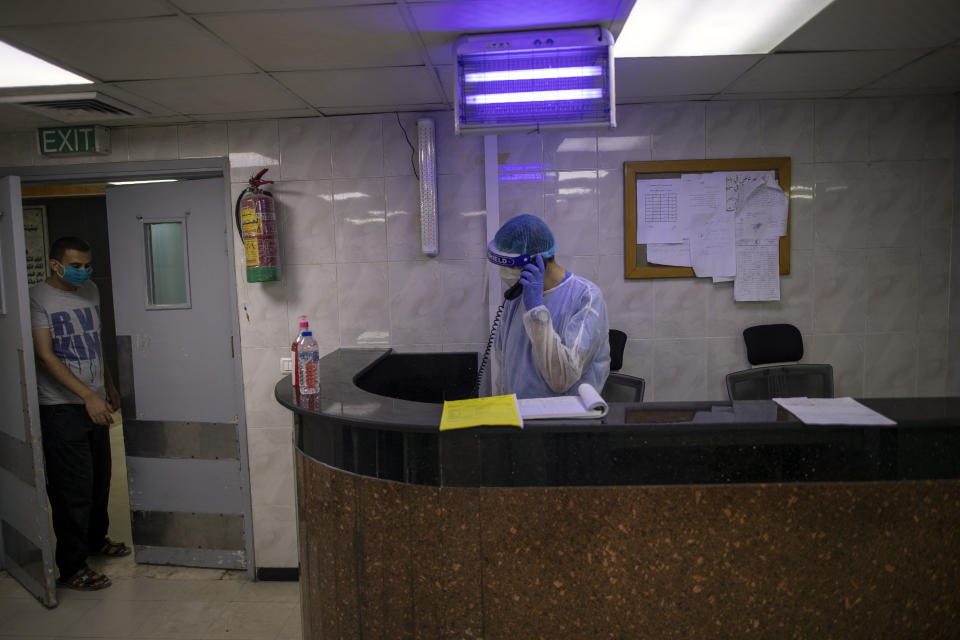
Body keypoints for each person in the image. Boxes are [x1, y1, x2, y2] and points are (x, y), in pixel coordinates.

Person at [30, 236, 129, 591]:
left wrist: (108, 386)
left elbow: (94, 342)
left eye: (87, 266)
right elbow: (45, 354)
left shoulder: (90, 292)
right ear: (56, 264)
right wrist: (87, 395)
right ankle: (72, 567)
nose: (83, 272)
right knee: (73, 489)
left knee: (99, 480)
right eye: (75, 265)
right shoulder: (36, 298)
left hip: (95, 398)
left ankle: (94, 540)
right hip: (61, 407)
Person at [489, 214, 610, 399]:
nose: (502, 273)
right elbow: (503, 364)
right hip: (518, 419)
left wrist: (536, 312)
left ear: (535, 262)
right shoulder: (516, 299)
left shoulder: (586, 298)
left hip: (567, 423)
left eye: (509, 266)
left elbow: (561, 379)